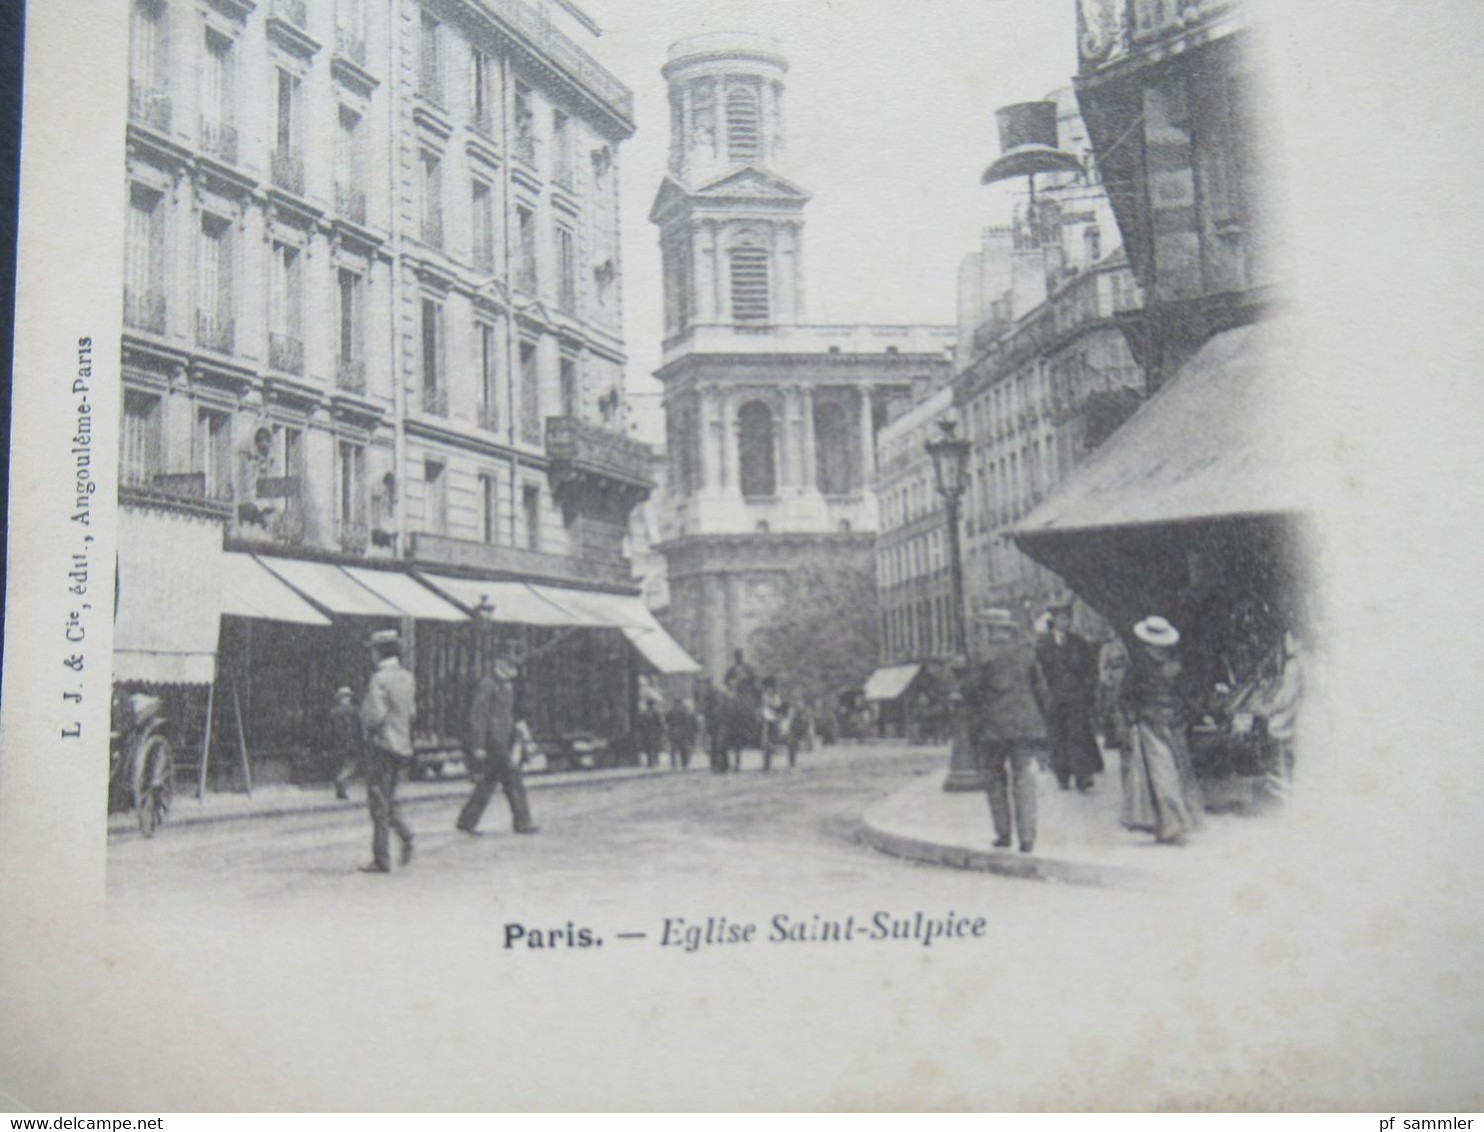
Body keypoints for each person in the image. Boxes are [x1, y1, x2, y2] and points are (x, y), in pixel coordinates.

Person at [962, 607, 1045, 853]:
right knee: (1024, 777)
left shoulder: (981, 655)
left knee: (995, 777)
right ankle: (1028, 837)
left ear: (989, 629)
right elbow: (1040, 688)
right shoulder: (1026, 652)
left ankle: (1003, 833)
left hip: (992, 727)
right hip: (1024, 724)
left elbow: (972, 692)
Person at [1119, 615, 1205, 845]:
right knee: (1162, 776)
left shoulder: (1175, 668)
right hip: (1151, 726)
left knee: (1177, 774)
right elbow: (1126, 697)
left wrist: (1187, 715)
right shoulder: (1137, 668)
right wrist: (1133, 721)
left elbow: (1187, 696)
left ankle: (1169, 825)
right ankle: (1172, 826)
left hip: (1173, 726)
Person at [456, 644, 539, 836]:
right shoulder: (488, 685)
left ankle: (467, 820)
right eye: (511, 666)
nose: (515, 670)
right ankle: (523, 821)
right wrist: (479, 744)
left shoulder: (506, 686)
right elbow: (478, 716)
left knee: (487, 783)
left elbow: (511, 715)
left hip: (503, 742)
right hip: (494, 744)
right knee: (513, 781)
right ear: (500, 665)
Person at [1031, 596, 1104, 792]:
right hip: (1054, 698)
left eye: (1068, 618)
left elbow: (1091, 669)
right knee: (1057, 736)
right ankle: (1062, 775)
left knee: (1078, 735)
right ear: (1053, 619)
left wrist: (1088, 690)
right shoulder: (1042, 644)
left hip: (1077, 697)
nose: (1066, 622)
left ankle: (1082, 776)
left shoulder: (1079, 643)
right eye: (1062, 618)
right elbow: (1037, 672)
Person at [359, 628, 417, 873]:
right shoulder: (407, 677)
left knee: (377, 801)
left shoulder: (380, 679)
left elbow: (375, 714)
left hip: (382, 745)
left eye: (372, 650)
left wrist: (363, 720)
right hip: (402, 745)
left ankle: (382, 858)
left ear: (378, 652)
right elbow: (412, 713)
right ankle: (405, 835)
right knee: (389, 797)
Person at [326, 686, 362, 800]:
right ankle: (341, 782)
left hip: (337, 743)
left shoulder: (333, 712)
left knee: (341, 765)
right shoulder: (355, 710)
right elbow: (360, 727)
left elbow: (329, 730)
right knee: (351, 765)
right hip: (352, 742)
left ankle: (341, 791)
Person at [665, 697, 698, 770]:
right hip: (681, 731)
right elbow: (686, 722)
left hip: (673, 731)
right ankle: (684, 763)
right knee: (683, 748)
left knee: (673, 749)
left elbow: (666, 720)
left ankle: (673, 763)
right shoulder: (683, 712)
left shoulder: (670, 711)